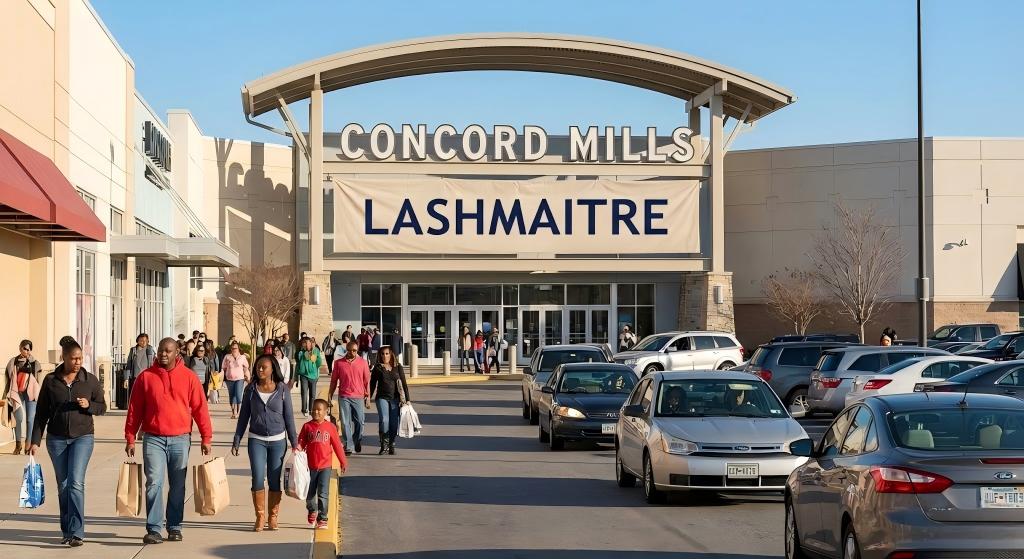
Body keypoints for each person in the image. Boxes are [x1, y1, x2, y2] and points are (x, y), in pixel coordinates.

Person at [125, 337, 213, 545]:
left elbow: (201, 409)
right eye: (161, 351)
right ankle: (154, 528)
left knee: (178, 486)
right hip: (153, 438)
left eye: (168, 351)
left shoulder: (189, 377)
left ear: (177, 353)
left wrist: (206, 437)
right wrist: (130, 437)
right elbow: (134, 410)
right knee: (154, 482)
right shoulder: (145, 377)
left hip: (180, 439)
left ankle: (174, 526)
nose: (163, 354)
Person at [28, 339, 105, 547]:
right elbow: (41, 413)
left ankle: (77, 532)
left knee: (76, 483)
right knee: (63, 486)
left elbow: (102, 407)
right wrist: (35, 440)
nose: (78, 362)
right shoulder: (51, 380)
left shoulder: (89, 380)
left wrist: (89, 405)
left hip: (83, 437)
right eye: (74, 358)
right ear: (64, 358)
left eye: (80, 358)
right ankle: (67, 531)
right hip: (57, 440)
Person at [231, 354, 298, 532]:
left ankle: (273, 517)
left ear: (272, 369)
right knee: (258, 477)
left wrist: (294, 442)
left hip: (278, 441)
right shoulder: (250, 390)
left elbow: (289, 417)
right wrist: (237, 439)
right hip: (256, 440)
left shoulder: (283, 390)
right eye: (258, 367)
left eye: (264, 367)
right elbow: (244, 416)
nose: (260, 370)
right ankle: (260, 517)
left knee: (274, 479)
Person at [297, 399, 347, 529]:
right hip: (310, 467)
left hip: (325, 466)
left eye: (319, 410)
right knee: (309, 495)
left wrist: (343, 461)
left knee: (323, 494)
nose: (316, 412)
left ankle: (323, 518)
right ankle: (312, 509)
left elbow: (337, 446)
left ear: (325, 412)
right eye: (314, 409)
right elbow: (301, 442)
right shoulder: (307, 427)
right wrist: (296, 450)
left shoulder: (330, 427)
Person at [328, 341, 371, 455]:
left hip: (359, 396)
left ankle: (357, 439)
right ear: (346, 349)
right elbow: (333, 381)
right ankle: (348, 445)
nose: (352, 352)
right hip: (344, 396)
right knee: (345, 422)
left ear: (357, 350)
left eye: (355, 350)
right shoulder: (339, 363)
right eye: (350, 350)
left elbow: (366, 382)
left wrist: (368, 397)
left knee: (360, 421)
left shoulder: (363, 363)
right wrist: (330, 395)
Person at [369, 346, 410, 455]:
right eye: (382, 354)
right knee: (384, 420)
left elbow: (404, 384)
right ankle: (384, 444)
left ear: (391, 354)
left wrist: (408, 399)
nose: (384, 356)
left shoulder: (398, 367)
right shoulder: (378, 368)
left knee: (393, 423)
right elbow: (372, 384)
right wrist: (368, 398)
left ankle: (392, 443)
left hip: (395, 399)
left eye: (387, 353)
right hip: (381, 398)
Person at [5, 339, 42, 454]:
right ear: (20, 348)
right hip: (17, 392)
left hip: (31, 393)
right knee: (18, 418)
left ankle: (28, 443)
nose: (26, 351)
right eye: (24, 348)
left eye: (29, 349)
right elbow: (7, 379)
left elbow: (38, 380)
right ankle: (18, 444)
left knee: (30, 419)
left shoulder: (35, 362)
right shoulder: (13, 362)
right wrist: (6, 395)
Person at [295, 337, 324, 418]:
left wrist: (314, 368)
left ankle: (311, 410)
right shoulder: (301, 352)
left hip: (313, 376)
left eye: (309, 343)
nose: (307, 345)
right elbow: (299, 360)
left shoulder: (316, 351)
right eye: (305, 343)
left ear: (311, 344)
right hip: (304, 375)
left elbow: (317, 362)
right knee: (304, 392)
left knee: (313, 394)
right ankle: (304, 409)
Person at [222, 342, 251, 419]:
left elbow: (246, 367)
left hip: (239, 379)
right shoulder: (227, 357)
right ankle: (233, 412)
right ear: (231, 349)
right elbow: (223, 368)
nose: (234, 349)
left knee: (238, 395)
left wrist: (247, 377)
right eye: (232, 348)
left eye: (235, 348)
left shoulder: (242, 357)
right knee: (232, 397)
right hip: (229, 379)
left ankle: (237, 413)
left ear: (238, 349)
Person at [124, 334, 155, 405]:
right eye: (141, 341)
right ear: (137, 341)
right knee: (135, 396)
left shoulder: (150, 349)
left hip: (147, 378)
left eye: (145, 341)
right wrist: (126, 379)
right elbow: (129, 364)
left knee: (147, 396)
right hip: (135, 377)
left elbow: (152, 364)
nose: (143, 342)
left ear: (148, 341)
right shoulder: (133, 350)